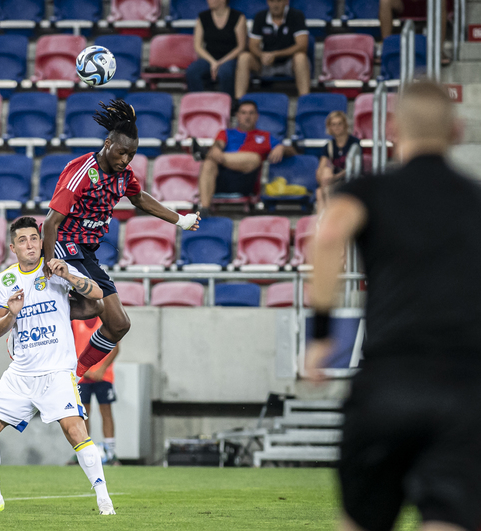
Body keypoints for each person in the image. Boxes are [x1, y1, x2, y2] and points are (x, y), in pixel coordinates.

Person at [305, 80, 481, 531]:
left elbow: (327, 235)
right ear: (456, 131)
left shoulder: (368, 190)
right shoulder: (474, 198)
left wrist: (321, 335)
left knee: (362, 520)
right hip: (464, 386)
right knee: (448, 518)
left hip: (389, 380)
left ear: (392, 130)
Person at [0, 217, 114, 515]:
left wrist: (69, 276)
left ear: (41, 242)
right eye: (23, 240)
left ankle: (104, 498)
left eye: (34, 238)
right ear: (13, 248)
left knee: (75, 431)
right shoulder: (6, 280)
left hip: (57, 370)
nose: (30, 245)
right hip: (21, 373)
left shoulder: (55, 268)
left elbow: (98, 294)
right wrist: (12, 314)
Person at [43, 99, 201, 378]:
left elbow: (139, 198)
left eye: (132, 155)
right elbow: (50, 222)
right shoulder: (81, 171)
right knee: (92, 305)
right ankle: (36, 315)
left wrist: (181, 220)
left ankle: (76, 373)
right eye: (122, 152)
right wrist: (48, 263)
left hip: (86, 253)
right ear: (108, 144)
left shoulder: (123, 176)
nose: (126, 159)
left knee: (119, 324)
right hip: (64, 245)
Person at [195, 100, 297, 216]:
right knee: (208, 163)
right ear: (237, 115)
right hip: (221, 180)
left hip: (246, 182)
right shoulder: (225, 133)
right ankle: (204, 209)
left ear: (257, 116)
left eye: (251, 113)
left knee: (254, 158)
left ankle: (204, 153)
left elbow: (293, 152)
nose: (247, 117)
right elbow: (218, 145)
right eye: (243, 113)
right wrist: (216, 149)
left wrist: (281, 147)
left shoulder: (265, 136)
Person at [235, 0, 310, 99]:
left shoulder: (296, 16)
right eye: (272, 0)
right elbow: (253, 45)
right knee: (244, 57)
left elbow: (302, 45)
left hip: (289, 63)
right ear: (267, 2)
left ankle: (305, 100)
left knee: (301, 57)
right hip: (265, 62)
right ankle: (239, 101)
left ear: (286, 1)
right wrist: (262, 55)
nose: (275, 5)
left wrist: (275, 54)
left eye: (279, 0)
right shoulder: (260, 17)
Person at [72, 318, 121, 466]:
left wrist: (102, 369)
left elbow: (115, 348)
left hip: (103, 376)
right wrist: (82, 369)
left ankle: (110, 452)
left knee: (106, 411)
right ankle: (83, 451)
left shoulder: (105, 319)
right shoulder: (75, 321)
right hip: (82, 376)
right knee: (83, 414)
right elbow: (69, 347)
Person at [186, 0, 247, 96]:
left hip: (230, 58)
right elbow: (198, 46)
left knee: (225, 72)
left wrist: (220, 63)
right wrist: (213, 62)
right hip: (209, 58)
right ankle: (199, 102)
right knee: (192, 71)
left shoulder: (238, 17)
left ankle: (228, 103)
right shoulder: (202, 17)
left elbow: (241, 47)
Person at [379, 0, 452, 65]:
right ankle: (386, 48)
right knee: (385, 0)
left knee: (440, 1)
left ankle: (439, 51)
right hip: (405, 0)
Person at [316, 111, 360, 212]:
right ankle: (323, 216)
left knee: (326, 189)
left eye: (340, 124)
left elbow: (352, 167)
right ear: (330, 127)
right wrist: (323, 178)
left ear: (345, 125)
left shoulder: (354, 143)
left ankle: (328, 214)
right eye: (334, 124)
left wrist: (334, 178)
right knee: (320, 189)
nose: (337, 127)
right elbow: (321, 168)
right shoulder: (328, 146)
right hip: (333, 181)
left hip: (349, 179)